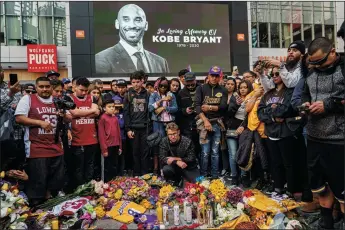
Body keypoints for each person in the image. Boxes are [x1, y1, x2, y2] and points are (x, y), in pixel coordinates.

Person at [301, 37, 344, 229]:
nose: (316, 65)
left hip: (339, 139)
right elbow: (303, 94)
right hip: (314, 137)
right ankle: (326, 223)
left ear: (333, 52)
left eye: (321, 61)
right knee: (319, 186)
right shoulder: (310, 72)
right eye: (313, 62)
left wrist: (328, 105)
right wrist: (303, 105)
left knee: (342, 190)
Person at [15, 77, 71, 205]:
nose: (45, 89)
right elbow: (19, 118)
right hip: (37, 149)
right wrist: (39, 123)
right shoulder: (28, 99)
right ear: (36, 87)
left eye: (47, 86)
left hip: (56, 148)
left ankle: (51, 213)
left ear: (51, 87)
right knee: (37, 186)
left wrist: (64, 116)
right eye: (41, 86)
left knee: (55, 185)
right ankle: (36, 213)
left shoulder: (57, 100)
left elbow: (68, 118)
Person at [258, 68, 310, 200]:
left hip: (286, 133)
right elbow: (260, 113)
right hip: (271, 132)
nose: (274, 76)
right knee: (275, 163)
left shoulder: (290, 92)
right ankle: (278, 187)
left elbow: (285, 110)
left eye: (277, 74)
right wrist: (273, 116)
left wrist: (271, 111)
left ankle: (291, 189)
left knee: (289, 163)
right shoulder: (267, 93)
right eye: (272, 74)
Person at [95, 4, 169, 74]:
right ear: (117, 24)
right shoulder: (102, 59)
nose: (132, 25)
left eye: (138, 20)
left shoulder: (161, 62)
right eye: (126, 20)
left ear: (146, 25)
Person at [195, 66, 227, 179]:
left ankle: (214, 176)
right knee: (205, 152)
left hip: (217, 123)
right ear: (208, 76)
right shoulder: (201, 88)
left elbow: (223, 107)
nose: (214, 78)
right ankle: (203, 176)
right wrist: (205, 121)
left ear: (219, 77)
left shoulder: (223, 89)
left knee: (215, 152)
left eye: (216, 76)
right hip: (204, 124)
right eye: (212, 75)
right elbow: (197, 107)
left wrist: (209, 107)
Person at [69, 77, 100, 188]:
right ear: (75, 87)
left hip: (91, 138)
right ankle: (79, 189)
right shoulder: (69, 98)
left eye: (86, 90)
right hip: (76, 139)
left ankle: (89, 189)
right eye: (81, 90)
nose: (84, 92)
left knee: (90, 165)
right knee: (78, 167)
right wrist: (88, 111)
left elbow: (96, 112)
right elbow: (74, 112)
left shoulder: (92, 98)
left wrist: (79, 113)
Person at [123, 71, 151, 176]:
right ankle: (136, 175)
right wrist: (128, 129)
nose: (135, 84)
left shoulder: (147, 94)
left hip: (145, 127)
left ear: (142, 81)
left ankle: (145, 175)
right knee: (135, 152)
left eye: (137, 82)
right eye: (133, 82)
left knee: (145, 152)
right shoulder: (128, 94)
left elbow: (149, 111)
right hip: (133, 128)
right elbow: (126, 113)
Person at [148, 77, 178, 174]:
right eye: (161, 86)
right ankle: (157, 169)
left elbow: (176, 108)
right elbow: (149, 108)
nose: (163, 88)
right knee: (158, 145)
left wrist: (165, 107)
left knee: (169, 145)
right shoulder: (154, 95)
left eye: (165, 86)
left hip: (170, 123)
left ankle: (168, 169)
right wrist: (161, 101)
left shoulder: (171, 95)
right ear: (157, 85)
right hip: (158, 123)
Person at [226, 80, 253, 186]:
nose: (242, 89)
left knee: (243, 153)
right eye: (241, 87)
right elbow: (229, 113)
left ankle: (244, 176)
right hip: (232, 129)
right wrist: (237, 104)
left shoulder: (252, 98)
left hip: (245, 130)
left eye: (245, 87)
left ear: (249, 88)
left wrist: (243, 126)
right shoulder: (235, 97)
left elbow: (251, 116)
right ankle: (234, 176)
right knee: (233, 154)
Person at [176, 72, 201, 163]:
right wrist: (184, 111)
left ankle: (204, 167)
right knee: (190, 146)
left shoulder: (201, 88)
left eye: (192, 82)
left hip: (202, 121)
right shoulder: (181, 93)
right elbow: (177, 109)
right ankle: (192, 165)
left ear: (195, 80)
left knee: (202, 147)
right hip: (187, 124)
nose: (190, 85)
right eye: (188, 82)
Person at [98, 99, 122, 182]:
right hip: (108, 146)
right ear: (104, 108)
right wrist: (104, 149)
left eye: (113, 107)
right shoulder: (103, 118)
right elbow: (101, 135)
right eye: (109, 107)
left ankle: (114, 183)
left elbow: (118, 132)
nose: (112, 108)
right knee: (107, 167)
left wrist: (120, 146)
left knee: (114, 165)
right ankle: (107, 183)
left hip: (116, 145)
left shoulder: (115, 118)